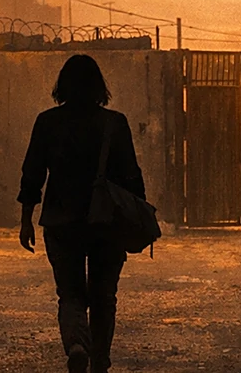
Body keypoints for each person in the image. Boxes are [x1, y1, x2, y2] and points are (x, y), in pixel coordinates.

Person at [18, 54, 146, 373]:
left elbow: (33, 173)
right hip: (106, 224)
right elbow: (131, 176)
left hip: (61, 223)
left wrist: (26, 220)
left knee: (71, 294)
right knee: (104, 296)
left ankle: (77, 344)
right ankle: (100, 360)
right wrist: (139, 217)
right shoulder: (115, 123)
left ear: (62, 85)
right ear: (99, 87)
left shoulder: (47, 122)